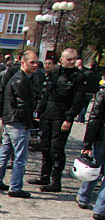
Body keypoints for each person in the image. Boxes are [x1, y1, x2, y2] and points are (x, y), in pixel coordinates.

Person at [31, 48, 86, 191]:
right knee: (44, 146)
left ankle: (56, 181)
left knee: (57, 148)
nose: (72, 61)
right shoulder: (54, 74)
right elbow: (46, 94)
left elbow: (78, 100)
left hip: (62, 115)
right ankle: (44, 175)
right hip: (48, 113)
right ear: (62, 60)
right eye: (69, 59)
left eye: (74, 59)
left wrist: (69, 118)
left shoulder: (78, 77)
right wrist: (39, 111)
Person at [0, 50, 39, 198]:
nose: (35, 65)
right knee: (20, 156)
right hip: (17, 122)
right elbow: (23, 105)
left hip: (11, 120)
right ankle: (15, 186)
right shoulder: (21, 80)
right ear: (23, 62)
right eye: (32, 62)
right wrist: (28, 123)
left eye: (37, 62)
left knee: (5, 152)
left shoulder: (20, 78)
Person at [76, 81, 105, 219]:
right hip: (101, 137)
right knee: (95, 168)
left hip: (101, 138)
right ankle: (100, 208)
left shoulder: (103, 93)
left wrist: (87, 143)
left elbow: (94, 118)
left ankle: (84, 197)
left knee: (94, 168)